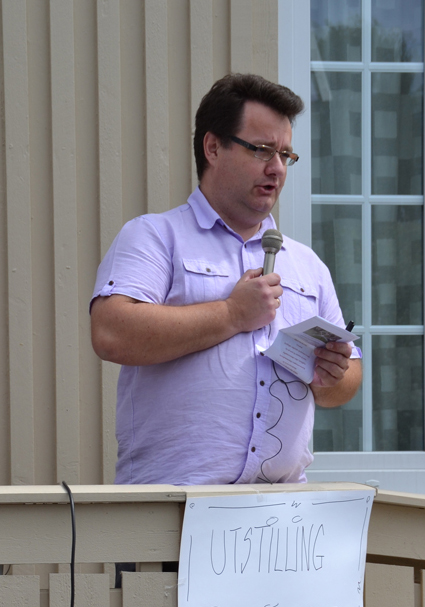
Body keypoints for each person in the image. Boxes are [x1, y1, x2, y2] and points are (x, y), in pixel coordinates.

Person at [91, 73, 362, 486]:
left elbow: (347, 379)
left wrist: (332, 375)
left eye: (285, 155)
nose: (277, 168)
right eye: (262, 150)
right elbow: (111, 332)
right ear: (213, 148)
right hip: (175, 506)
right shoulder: (156, 237)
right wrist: (232, 314)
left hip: (283, 509)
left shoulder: (307, 264)